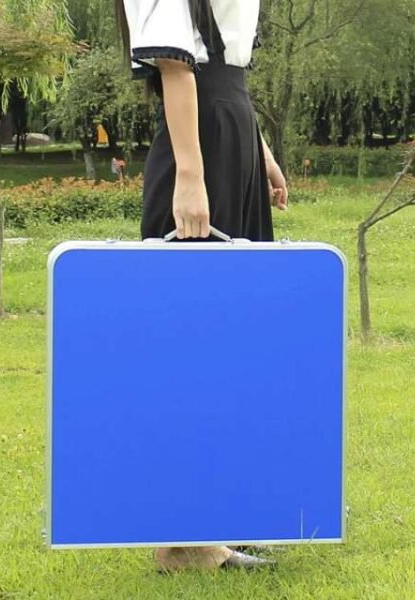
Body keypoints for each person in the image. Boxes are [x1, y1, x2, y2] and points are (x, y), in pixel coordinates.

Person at [117, 0, 289, 571]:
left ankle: (214, 519)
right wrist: (191, 177)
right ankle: (184, 542)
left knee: (234, 342)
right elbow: (176, 66)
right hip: (200, 143)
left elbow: (224, 67)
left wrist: (258, 150)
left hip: (230, 128)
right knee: (192, 344)